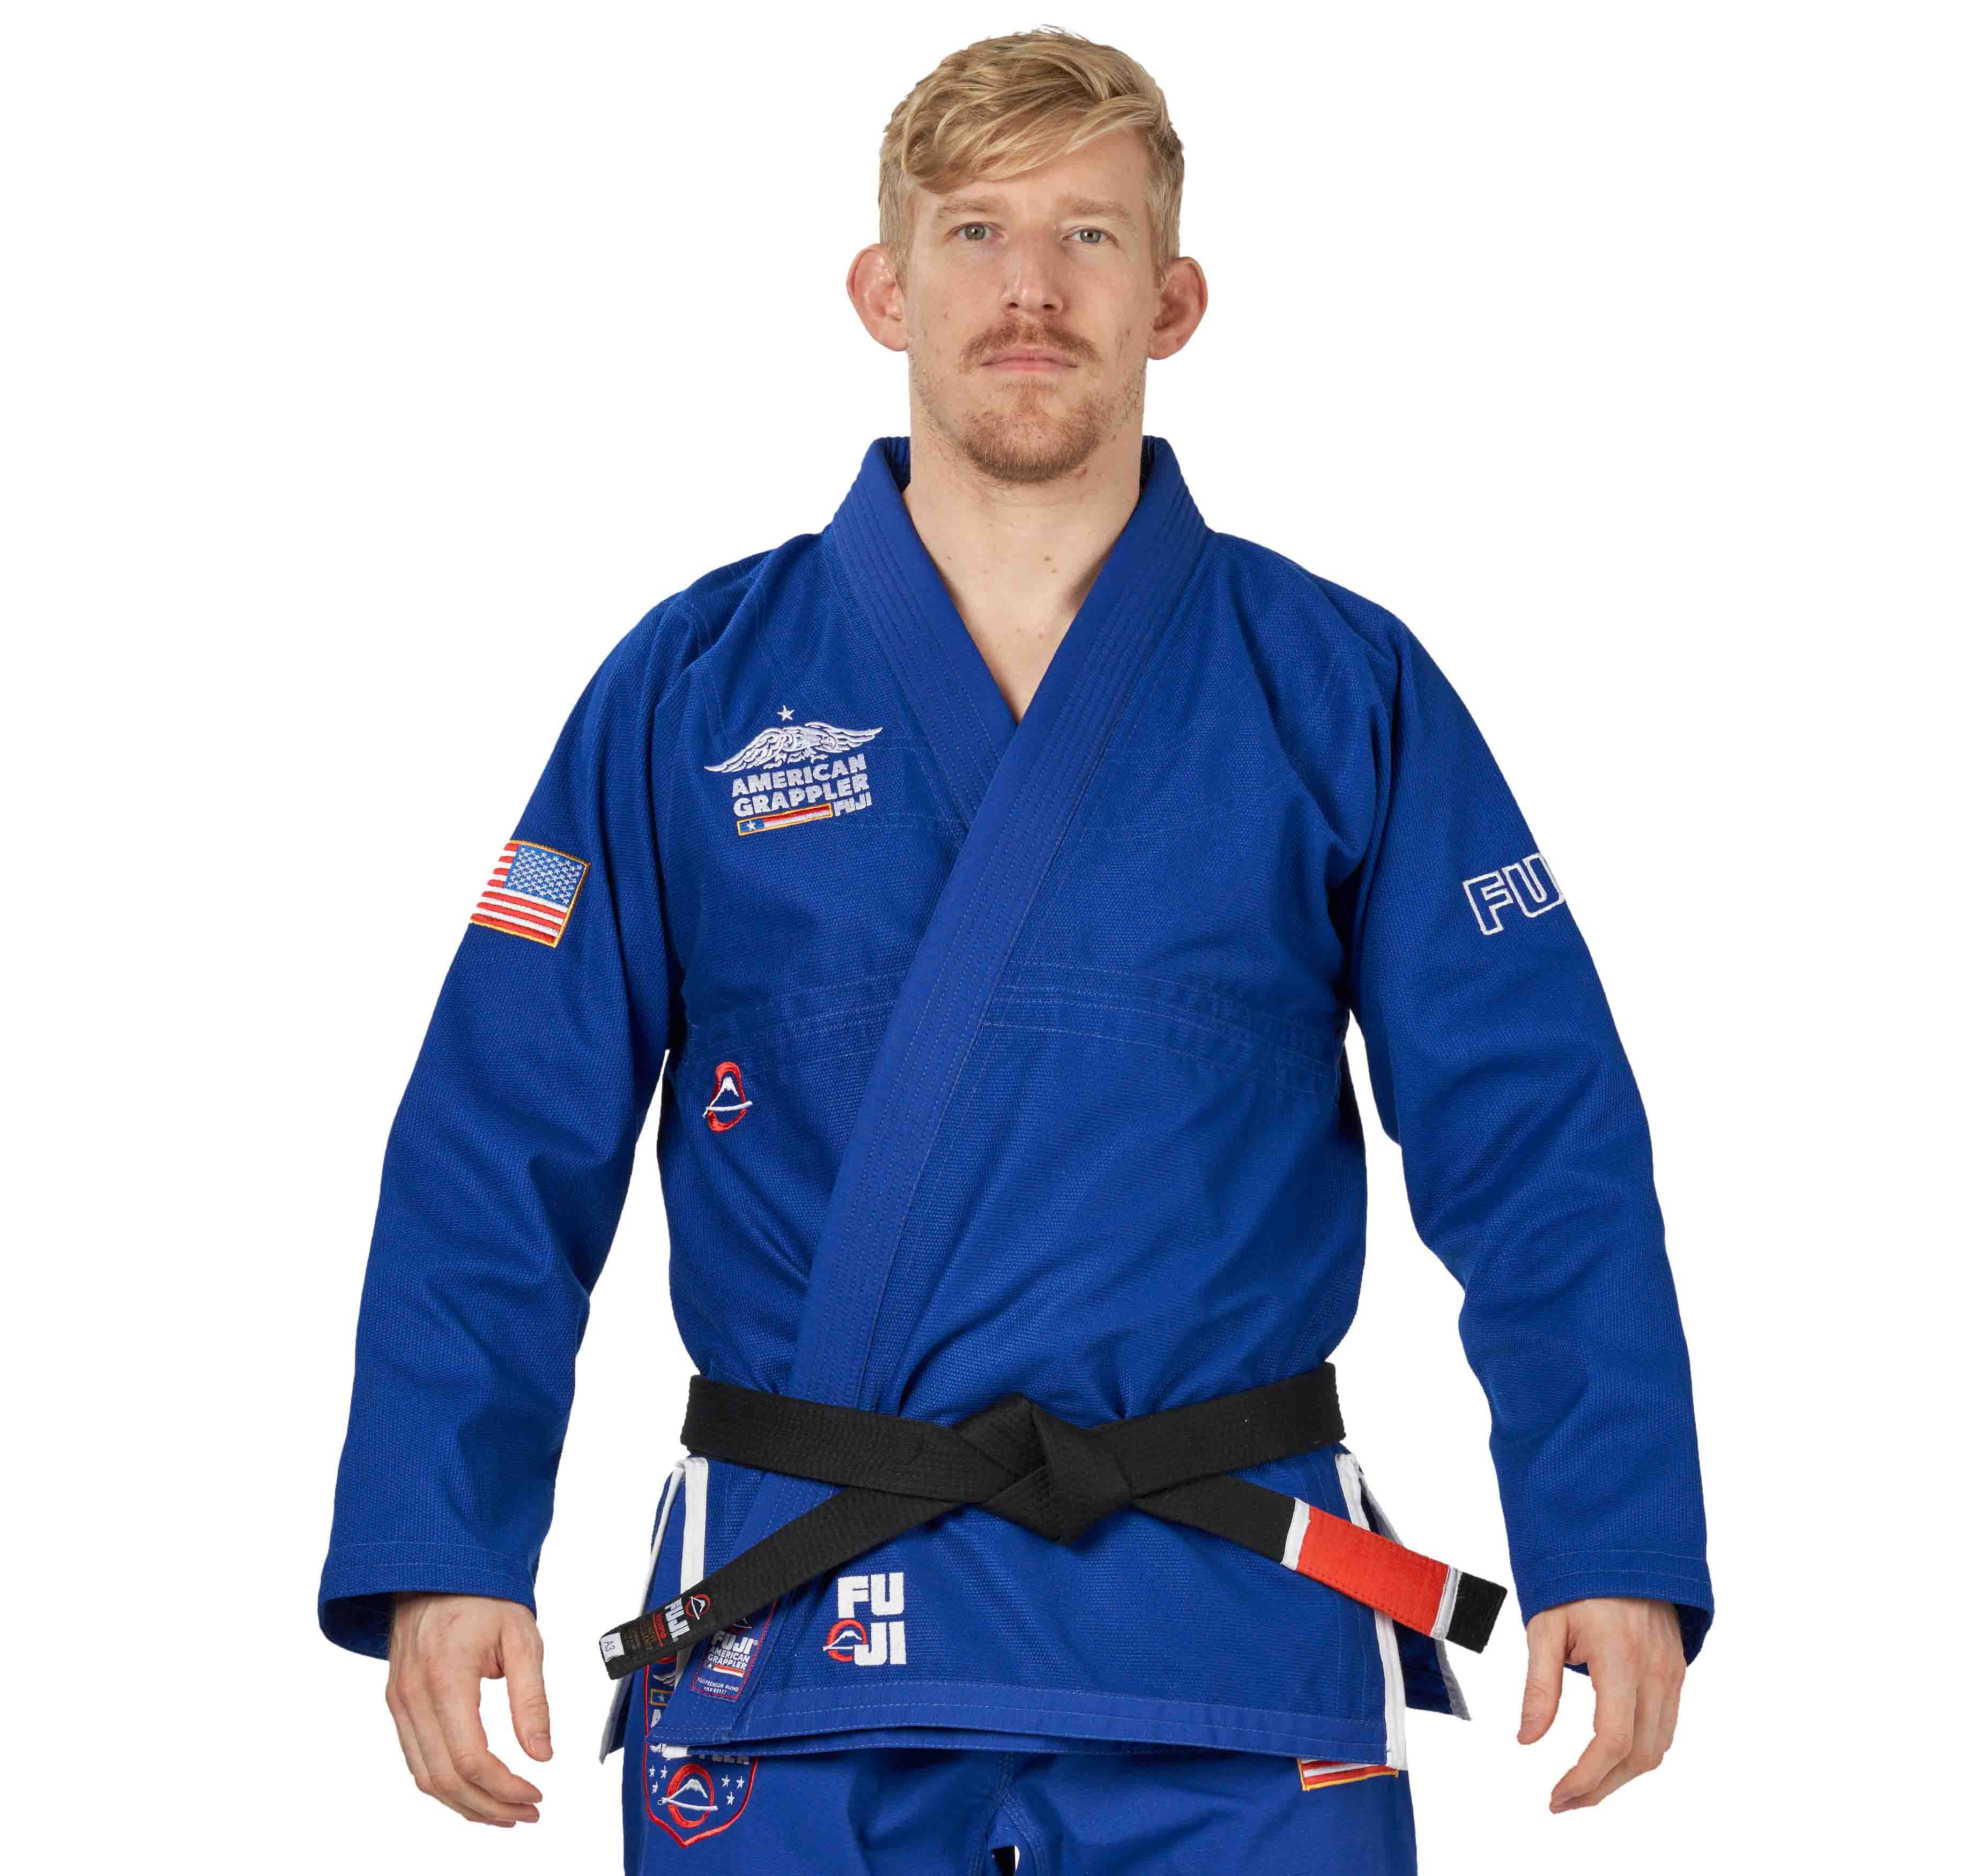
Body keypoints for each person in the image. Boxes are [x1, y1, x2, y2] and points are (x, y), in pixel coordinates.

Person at [320, 28, 1712, 1873]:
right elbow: (499, 1134)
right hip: (798, 1642)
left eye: (1089, 237)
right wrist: (443, 1543)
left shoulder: (1334, 684)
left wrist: (1609, 1530)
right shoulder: (694, 685)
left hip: (1222, 1634)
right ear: (880, 286)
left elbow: (1537, 1131)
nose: (1031, 290)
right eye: (973, 234)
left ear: (1177, 296)